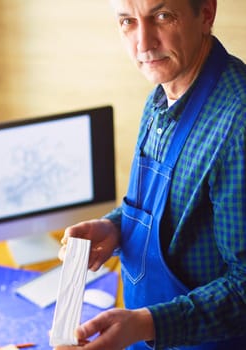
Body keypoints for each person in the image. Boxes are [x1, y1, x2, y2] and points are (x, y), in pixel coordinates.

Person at [55, 0, 246, 349]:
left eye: (162, 16)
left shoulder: (239, 121)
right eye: (128, 22)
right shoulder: (161, 97)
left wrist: (145, 324)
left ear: (206, 14)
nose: (144, 44)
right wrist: (115, 227)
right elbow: (165, 210)